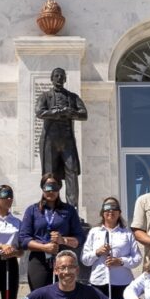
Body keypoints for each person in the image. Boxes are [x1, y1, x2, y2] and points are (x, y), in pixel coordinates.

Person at [18, 174, 84, 299]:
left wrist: (63, 241)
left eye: (54, 187)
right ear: (42, 189)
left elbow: (79, 238)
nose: (51, 191)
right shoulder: (32, 210)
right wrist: (44, 247)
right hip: (39, 261)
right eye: (47, 188)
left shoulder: (69, 211)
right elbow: (23, 239)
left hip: (63, 261)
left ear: (59, 189)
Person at [81, 197, 141, 299]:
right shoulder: (94, 232)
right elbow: (84, 259)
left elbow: (137, 258)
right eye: (107, 209)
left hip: (121, 283)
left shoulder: (126, 233)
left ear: (119, 213)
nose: (110, 212)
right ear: (102, 213)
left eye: (114, 209)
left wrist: (120, 261)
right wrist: (97, 252)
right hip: (99, 283)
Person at [35, 67, 87, 207]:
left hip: (67, 140)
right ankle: (49, 205)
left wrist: (70, 113)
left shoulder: (72, 97)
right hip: (50, 141)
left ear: (65, 79)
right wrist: (57, 112)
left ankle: (72, 208)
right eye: (56, 76)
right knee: (49, 174)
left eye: (61, 76)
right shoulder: (45, 96)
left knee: (72, 171)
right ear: (52, 79)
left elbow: (84, 114)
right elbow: (39, 112)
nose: (59, 78)